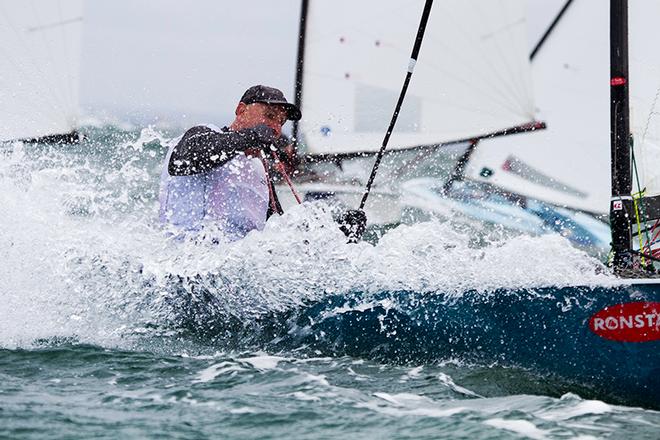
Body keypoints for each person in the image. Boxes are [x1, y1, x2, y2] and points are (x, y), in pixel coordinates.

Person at [159, 84, 367, 241]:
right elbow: (181, 163)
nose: (276, 128)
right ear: (241, 110)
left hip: (234, 273)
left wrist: (337, 235)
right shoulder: (202, 134)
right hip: (183, 267)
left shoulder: (260, 170)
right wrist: (250, 137)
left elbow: (277, 237)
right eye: (269, 116)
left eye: (280, 122)